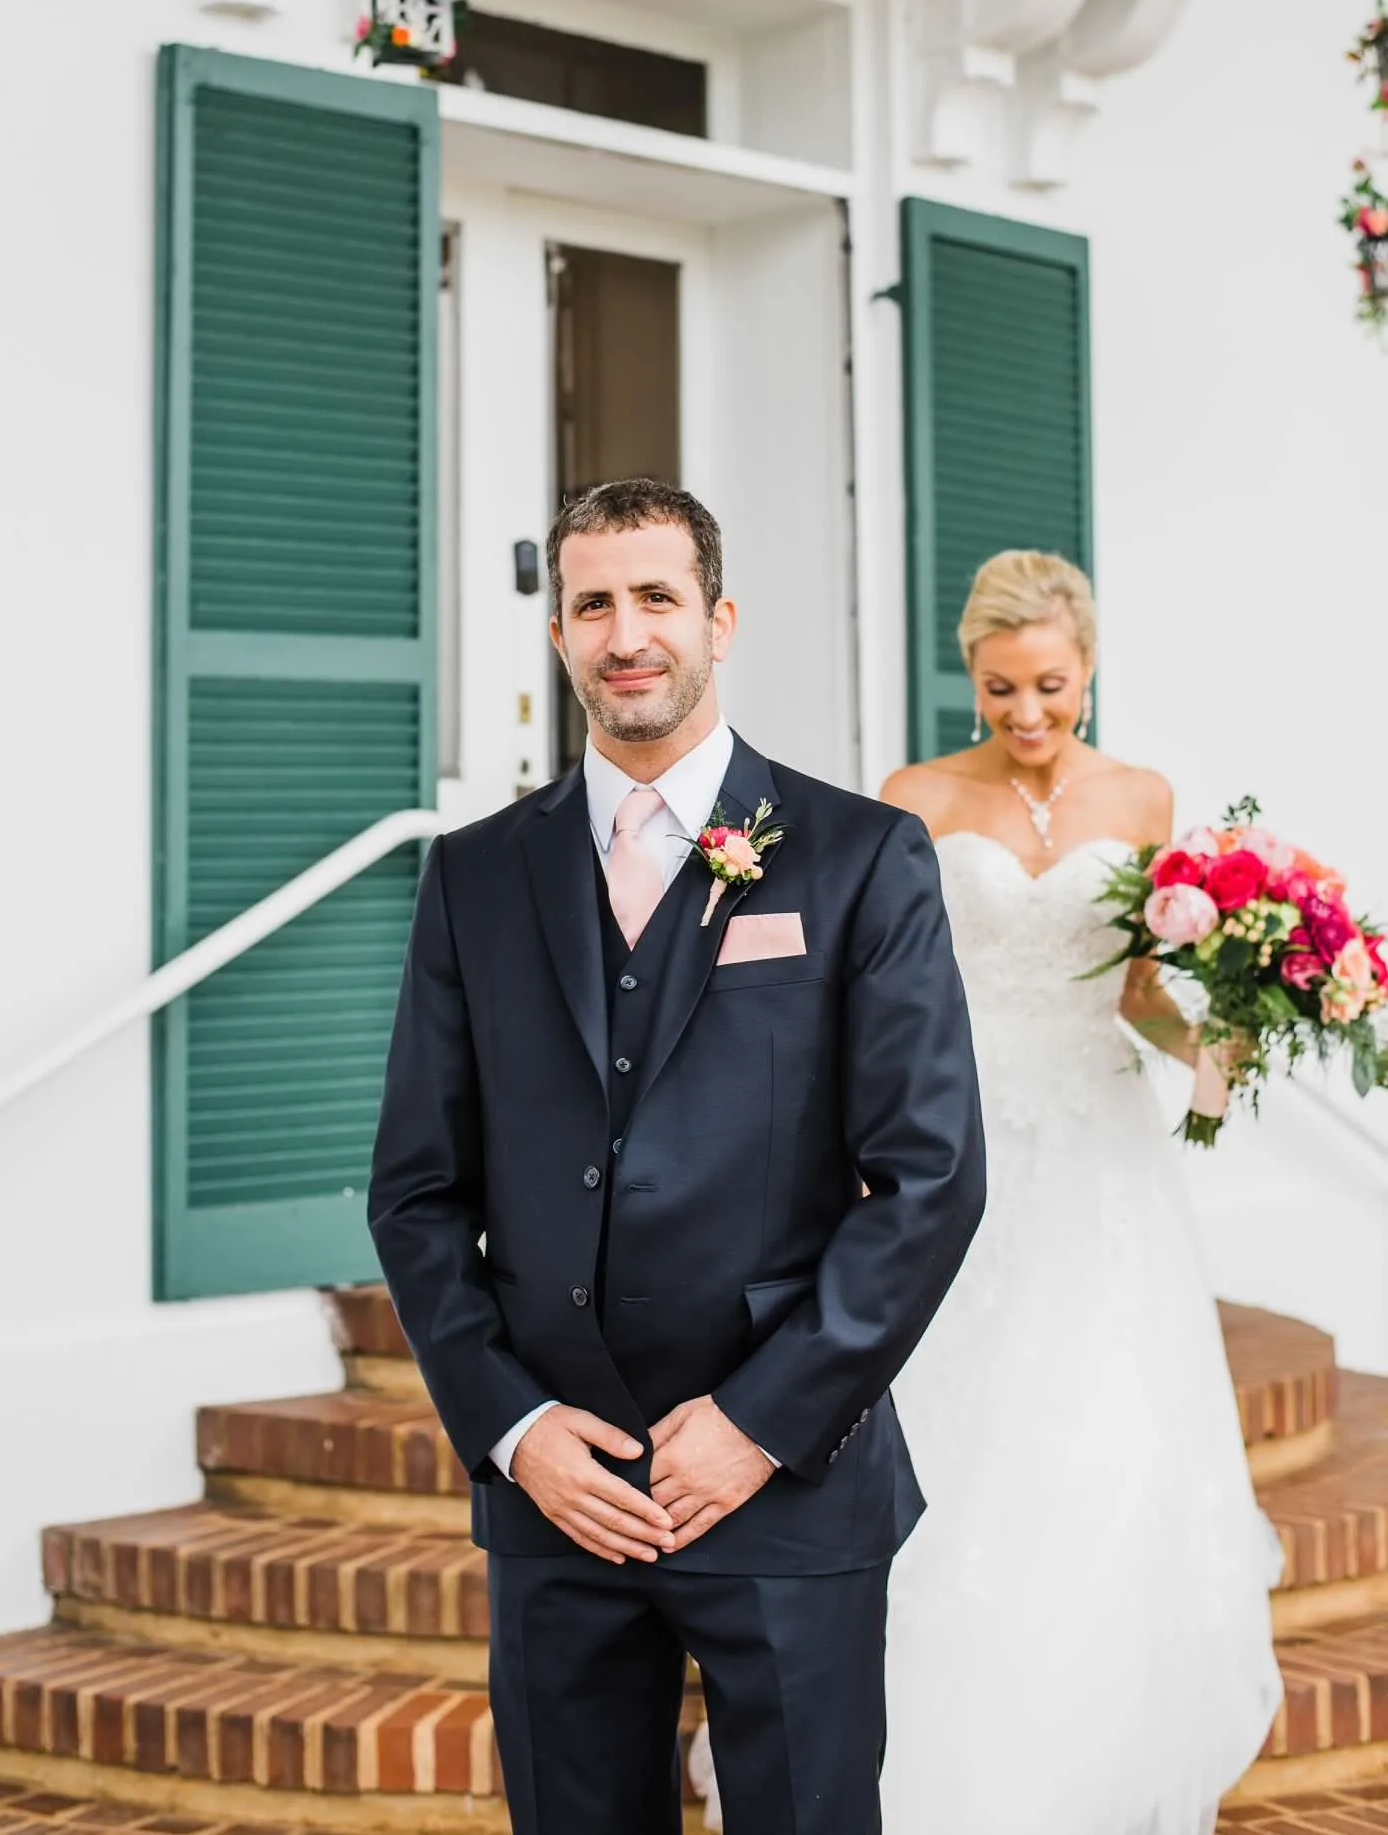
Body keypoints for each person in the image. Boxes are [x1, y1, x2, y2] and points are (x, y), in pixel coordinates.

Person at [367, 478, 986, 1835]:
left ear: (718, 619)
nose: (623, 631)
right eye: (591, 603)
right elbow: (415, 1190)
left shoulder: (860, 856)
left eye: (655, 597)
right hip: (559, 1500)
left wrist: (761, 1419)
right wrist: (517, 1431)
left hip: (786, 1487)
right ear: (559, 638)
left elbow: (929, 1176)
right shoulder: (472, 877)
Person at [863, 549, 1279, 1835]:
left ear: (1087, 668)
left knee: (1103, 1440)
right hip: (958, 1148)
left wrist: (1212, 1053)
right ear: (968, 678)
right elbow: (884, 997)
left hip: (1102, 1153)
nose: (1024, 715)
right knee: (954, 1440)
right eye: (996, 689)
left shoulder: (1142, 793)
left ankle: (1093, 1764)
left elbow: (1141, 990)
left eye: (1047, 686)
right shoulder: (914, 795)